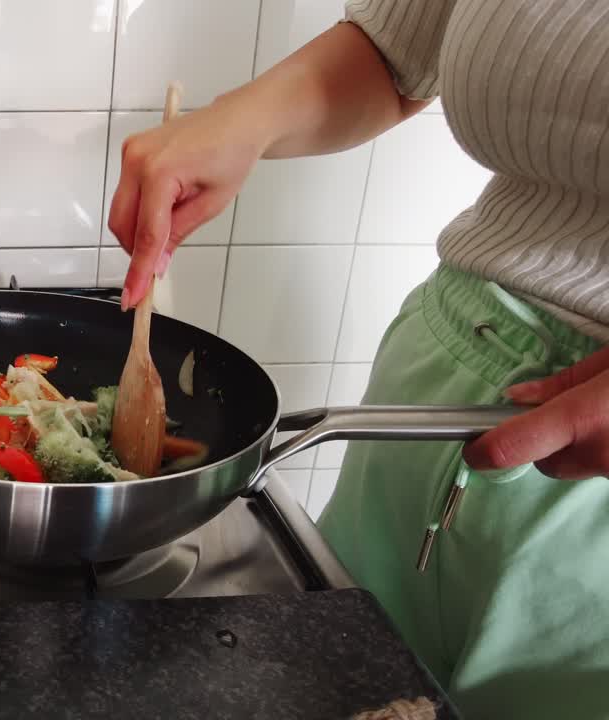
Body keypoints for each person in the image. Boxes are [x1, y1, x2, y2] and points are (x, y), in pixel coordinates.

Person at [111, 2, 609, 718]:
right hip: (441, 364)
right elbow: (396, 51)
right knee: (333, 693)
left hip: (593, 479)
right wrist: (244, 121)